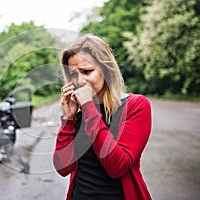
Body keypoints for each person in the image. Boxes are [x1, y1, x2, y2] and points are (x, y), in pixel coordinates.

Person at [53, 34, 152, 200]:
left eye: (87, 71)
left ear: (107, 70)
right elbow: (63, 167)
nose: (80, 81)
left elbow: (116, 167)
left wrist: (89, 109)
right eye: (74, 74)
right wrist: (69, 119)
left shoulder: (136, 106)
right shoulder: (78, 110)